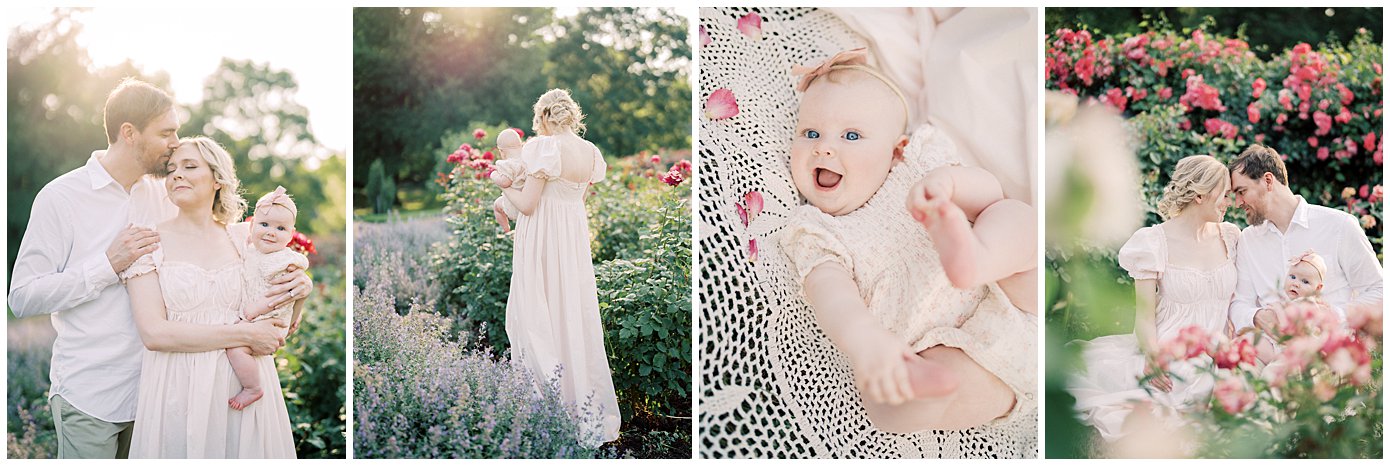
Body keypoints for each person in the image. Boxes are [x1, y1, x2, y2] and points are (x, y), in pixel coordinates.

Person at [7, 79, 292, 459]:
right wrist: (107, 265)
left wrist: (287, 273)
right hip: (94, 392)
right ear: (129, 133)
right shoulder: (61, 198)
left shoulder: (165, 191)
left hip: (167, 393)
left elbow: (215, 237)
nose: (175, 143)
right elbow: (22, 298)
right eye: (166, 133)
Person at [778, 48, 1035, 433]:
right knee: (886, 407)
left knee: (1014, 215)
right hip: (955, 355)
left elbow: (988, 192)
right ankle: (928, 393)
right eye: (811, 133)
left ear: (896, 150)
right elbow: (831, 295)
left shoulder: (917, 167)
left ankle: (974, 258)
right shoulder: (817, 231)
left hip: (1012, 296)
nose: (824, 147)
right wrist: (868, 344)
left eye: (851, 135)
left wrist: (948, 184)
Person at [121, 137, 300, 458]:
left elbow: (280, 301)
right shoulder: (147, 241)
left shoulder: (244, 238)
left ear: (218, 178)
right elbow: (154, 333)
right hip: (179, 389)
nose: (177, 174)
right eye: (172, 169)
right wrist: (244, 333)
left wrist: (304, 288)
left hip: (245, 386)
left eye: (190, 166)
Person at [1067, 155, 1239, 442]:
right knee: (1186, 386)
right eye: (1224, 195)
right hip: (1172, 348)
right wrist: (1154, 356)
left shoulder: (1231, 236)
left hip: (1219, 349)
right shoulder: (1152, 242)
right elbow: (1144, 316)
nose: (1228, 203)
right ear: (1200, 195)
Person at [501, 89, 621, 446]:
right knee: (572, 316)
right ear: (572, 116)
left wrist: (503, 187)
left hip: (541, 240)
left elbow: (526, 204)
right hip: (571, 244)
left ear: (542, 118)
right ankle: (582, 406)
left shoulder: (543, 148)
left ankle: (548, 409)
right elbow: (573, 201)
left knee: (538, 316)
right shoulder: (590, 153)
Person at [1226, 144, 1383, 336]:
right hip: (1270, 352)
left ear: (1268, 181)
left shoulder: (1339, 226)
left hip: (1329, 353)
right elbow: (1239, 303)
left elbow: (1379, 290)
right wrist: (1257, 316)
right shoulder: (1248, 239)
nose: (1238, 203)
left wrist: (1334, 315)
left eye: (1242, 191)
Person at [227, 186, 309, 410]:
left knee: (235, 348)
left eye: (280, 228)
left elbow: (279, 295)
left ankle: (252, 388)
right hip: (256, 316)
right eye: (264, 225)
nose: (271, 232)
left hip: (270, 318)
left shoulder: (282, 261)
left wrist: (250, 313)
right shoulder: (252, 251)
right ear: (251, 226)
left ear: (291, 234)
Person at [490, 128, 527, 232]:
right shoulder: (526, 159)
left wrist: (493, 175)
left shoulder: (506, 164)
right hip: (527, 201)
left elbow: (505, 182)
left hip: (514, 206)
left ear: (501, 151)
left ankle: (506, 230)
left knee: (497, 205)